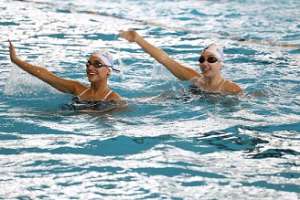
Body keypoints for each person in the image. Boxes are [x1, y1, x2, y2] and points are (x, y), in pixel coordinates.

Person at [8, 40, 125, 111]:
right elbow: (45, 75)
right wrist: (16, 60)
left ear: (108, 71)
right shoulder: (78, 88)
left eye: (97, 64)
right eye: (88, 63)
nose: (90, 67)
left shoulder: (114, 99)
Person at [119, 30, 242, 95]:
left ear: (221, 64)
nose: (204, 63)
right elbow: (165, 59)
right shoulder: (195, 79)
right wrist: (138, 39)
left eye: (211, 59)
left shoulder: (231, 88)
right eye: (201, 59)